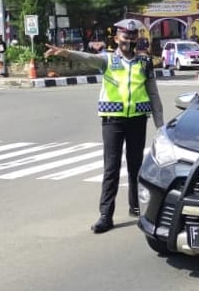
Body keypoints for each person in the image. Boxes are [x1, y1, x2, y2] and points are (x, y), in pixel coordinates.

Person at [43, 19, 164, 234]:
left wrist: (160, 126)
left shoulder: (144, 63)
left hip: (137, 120)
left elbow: (153, 94)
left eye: (133, 37)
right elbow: (88, 58)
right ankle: (105, 216)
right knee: (111, 168)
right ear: (117, 38)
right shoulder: (108, 60)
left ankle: (137, 209)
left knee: (137, 167)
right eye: (125, 37)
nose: (129, 41)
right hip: (113, 120)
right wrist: (65, 53)